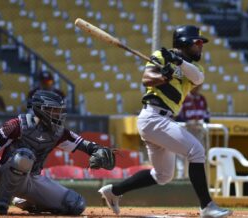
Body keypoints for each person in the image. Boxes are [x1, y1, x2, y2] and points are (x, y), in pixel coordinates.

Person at [98, 25, 232, 218]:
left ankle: (113, 191)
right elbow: (147, 79)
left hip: (163, 120)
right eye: (198, 42)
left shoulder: (194, 67)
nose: (201, 46)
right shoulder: (161, 56)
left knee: (163, 175)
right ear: (184, 42)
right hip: (153, 116)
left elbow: (198, 78)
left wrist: (178, 62)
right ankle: (207, 206)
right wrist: (164, 76)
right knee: (197, 151)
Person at [0, 90, 115, 215]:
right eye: (55, 110)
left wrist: (98, 150)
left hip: (32, 178)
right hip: (7, 174)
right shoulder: (17, 124)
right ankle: (2, 200)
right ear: (42, 109)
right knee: (24, 157)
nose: (59, 114)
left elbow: (83, 144)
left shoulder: (59, 132)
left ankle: (28, 201)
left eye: (60, 110)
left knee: (76, 204)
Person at [175, 84, 210, 179]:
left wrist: (201, 123)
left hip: (198, 132)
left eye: (199, 86)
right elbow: (177, 117)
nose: (197, 88)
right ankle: (180, 178)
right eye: (195, 85)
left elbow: (207, 116)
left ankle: (198, 179)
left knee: (199, 155)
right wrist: (189, 123)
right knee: (181, 154)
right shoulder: (183, 98)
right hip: (184, 131)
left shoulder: (202, 99)